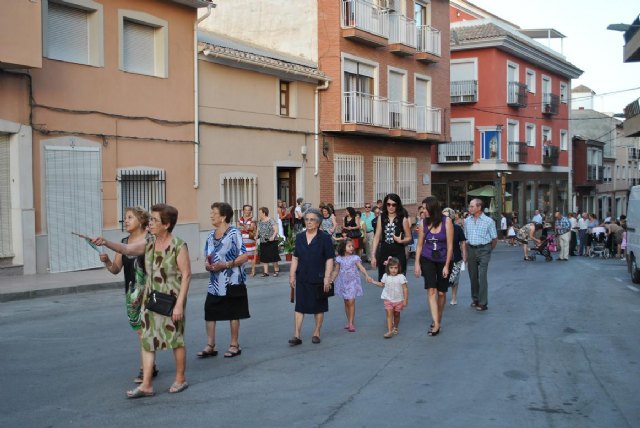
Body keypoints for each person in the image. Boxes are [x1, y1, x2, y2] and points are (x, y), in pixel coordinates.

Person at [92, 204, 192, 398]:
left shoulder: (179, 246)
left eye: (155, 220)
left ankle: (180, 379)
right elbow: (126, 248)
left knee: (176, 340)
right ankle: (147, 385)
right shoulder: (149, 243)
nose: (150, 223)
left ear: (166, 224)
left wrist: (179, 304)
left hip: (171, 300)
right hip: (150, 299)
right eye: (151, 219)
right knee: (147, 339)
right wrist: (105, 242)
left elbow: (187, 275)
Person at [99, 206, 156, 384]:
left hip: (149, 292)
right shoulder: (123, 242)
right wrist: (107, 261)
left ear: (141, 220)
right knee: (140, 330)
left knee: (144, 331)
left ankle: (146, 369)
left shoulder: (150, 239)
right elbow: (116, 269)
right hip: (132, 294)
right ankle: (151, 366)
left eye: (130, 217)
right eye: (125, 217)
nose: (126, 220)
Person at [201, 202, 250, 360]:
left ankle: (234, 345)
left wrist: (226, 264)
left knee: (233, 312)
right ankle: (210, 345)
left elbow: (244, 256)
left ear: (223, 217)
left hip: (233, 280)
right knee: (210, 310)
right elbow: (207, 256)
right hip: (215, 282)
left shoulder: (234, 233)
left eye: (214, 213)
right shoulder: (210, 235)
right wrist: (207, 265)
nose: (211, 216)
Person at [288, 208, 335, 345]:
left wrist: (327, 278)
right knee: (299, 306)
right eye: (307, 219)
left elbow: (329, 259)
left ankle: (317, 332)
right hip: (302, 276)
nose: (308, 222)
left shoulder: (325, 238)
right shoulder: (300, 237)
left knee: (319, 306)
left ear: (318, 223)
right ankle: (297, 335)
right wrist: (292, 275)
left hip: (318, 277)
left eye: (312, 220)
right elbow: (295, 257)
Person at [414, 196, 453, 337]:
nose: (423, 211)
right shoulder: (423, 223)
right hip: (428, 258)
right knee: (431, 290)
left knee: (441, 293)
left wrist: (447, 265)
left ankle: (438, 319)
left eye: (425, 208)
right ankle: (436, 324)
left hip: (443, 259)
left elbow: (450, 246)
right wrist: (417, 263)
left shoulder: (447, 221)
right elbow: (419, 245)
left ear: (432, 208)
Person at [330, 238, 371, 332]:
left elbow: (361, 267)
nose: (352, 247)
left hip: (353, 282)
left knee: (351, 301)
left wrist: (367, 275)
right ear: (344, 247)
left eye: (352, 246)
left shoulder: (355, 258)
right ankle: (349, 321)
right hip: (343, 283)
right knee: (346, 302)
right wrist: (331, 280)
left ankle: (351, 323)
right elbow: (336, 271)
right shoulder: (339, 259)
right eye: (349, 246)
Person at [464, 198, 497, 311]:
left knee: (482, 276)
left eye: (472, 206)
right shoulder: (467, 221)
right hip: (471, 249)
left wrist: (488, 250)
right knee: (473, 275)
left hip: (484, 249)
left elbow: (494, 238)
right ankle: (475, 298)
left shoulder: (488, 221)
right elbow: (466, 238)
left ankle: (483, 303)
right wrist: (466, 253)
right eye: (469, 206)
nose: (469, 208)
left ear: (479, 207)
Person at [371, 193, 412, 281]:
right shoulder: (381, 218)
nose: (391, 207)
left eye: (394, 205)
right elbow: (377, 237)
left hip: (398, 253)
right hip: (384, 253)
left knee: (399, 281)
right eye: (388, 204)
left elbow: (409, 237)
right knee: (384, 281)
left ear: (397, 205)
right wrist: (373, 255)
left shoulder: (403, 219)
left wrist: (401, 241)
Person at [367, 257, 408, 338]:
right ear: (388, 268)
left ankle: (395, 326)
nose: (393, 270)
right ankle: (389, 331)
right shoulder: (385, 276)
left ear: (399, 268)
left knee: (396, 314)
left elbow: (405, 289)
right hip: (388, 299)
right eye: (391, 268)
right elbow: (382, 284)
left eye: (395, 268)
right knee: (389, 314)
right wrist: (373, 281)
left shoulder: (401, 277)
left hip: (398, 300)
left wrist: (405, 300)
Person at [442, 208, 466, 306]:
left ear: (451, 217)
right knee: (442, 278)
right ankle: (442, 297)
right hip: (442, 257)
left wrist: (464, 255)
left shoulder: (457, 228)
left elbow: (463, 242)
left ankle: (454, 298)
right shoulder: (439, 228)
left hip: (456, 256)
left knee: (454, 279)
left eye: (447, 216)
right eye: (443, 216)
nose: (444, 218)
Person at [257, 207, 281, 277]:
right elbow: (258, 231)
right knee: (264, 257)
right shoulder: (260, 221)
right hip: (263, 241)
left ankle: (276, 270)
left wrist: (273, 237)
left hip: (272, 241)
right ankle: (266, 272)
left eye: (260, 213)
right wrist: (256, 236)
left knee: (273, 256)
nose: (259, 214)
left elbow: (276, 229)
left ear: (264, 213)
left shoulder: (271, 220)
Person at [237, 204, 257, 277]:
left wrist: (243, 227)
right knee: (241, 256)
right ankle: (241, 271)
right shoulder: (240, 218)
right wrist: (247, 227)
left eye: (249, 210)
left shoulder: (253, 218)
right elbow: (238, 228)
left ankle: (253, 271)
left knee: (252, 256)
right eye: (246, 210)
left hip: (250, 239)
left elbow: (252, 228)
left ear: (251, 211)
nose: (247, 211)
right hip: (241, 240)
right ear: (243, 210)